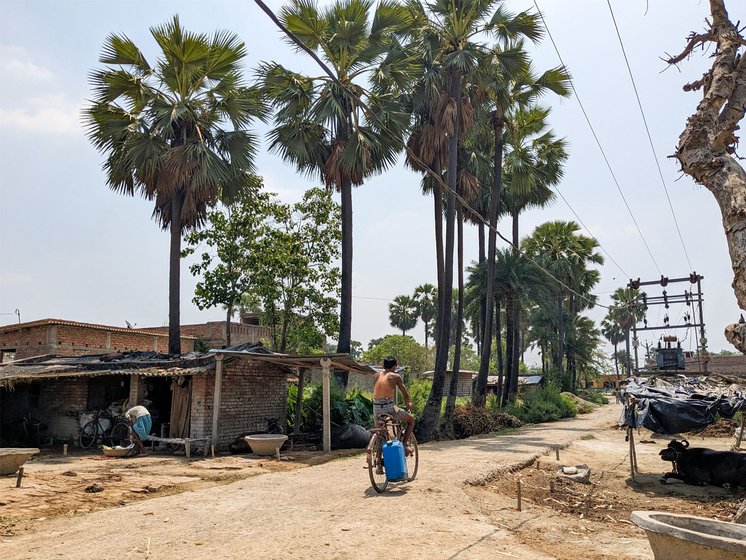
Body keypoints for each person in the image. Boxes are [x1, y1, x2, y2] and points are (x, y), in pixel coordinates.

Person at [372, 356, 415, 455]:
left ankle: (378, 462)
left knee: (380, 431)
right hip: (389, 407)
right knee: (411, 420)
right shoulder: (395, 376)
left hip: (376, 407)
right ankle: (404, 445)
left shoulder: (376, 375)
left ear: (384, 366)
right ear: (395, 366)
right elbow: (405, 394)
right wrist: (408, 404)